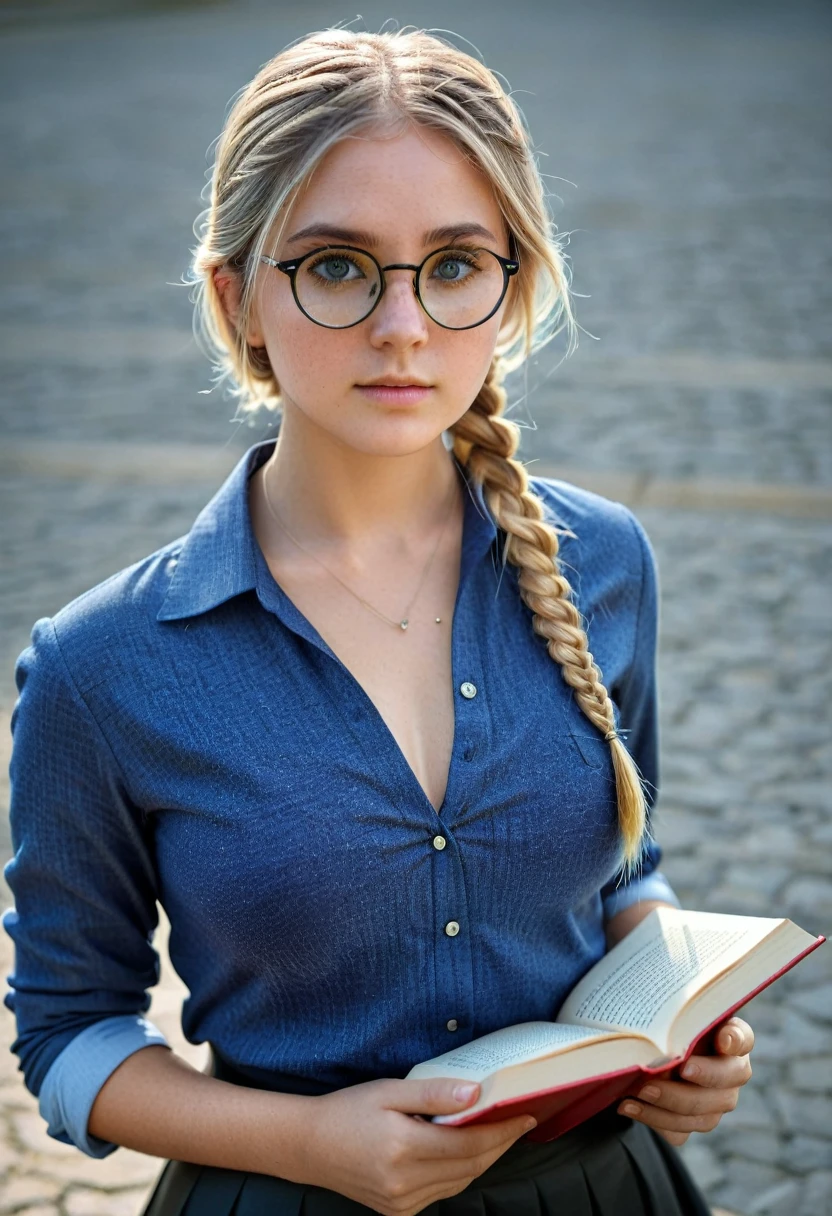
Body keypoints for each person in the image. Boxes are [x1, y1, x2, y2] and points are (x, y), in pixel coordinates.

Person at [3, 26, 756, 1216]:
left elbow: (625, 867)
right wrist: (310, 1144)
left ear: (512, 287)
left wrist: (679, 1020)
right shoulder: (102, 668)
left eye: (455, 265)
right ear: (236, 296)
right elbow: (66, 1034)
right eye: (338, 266)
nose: (402, 325)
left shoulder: (603, 561)